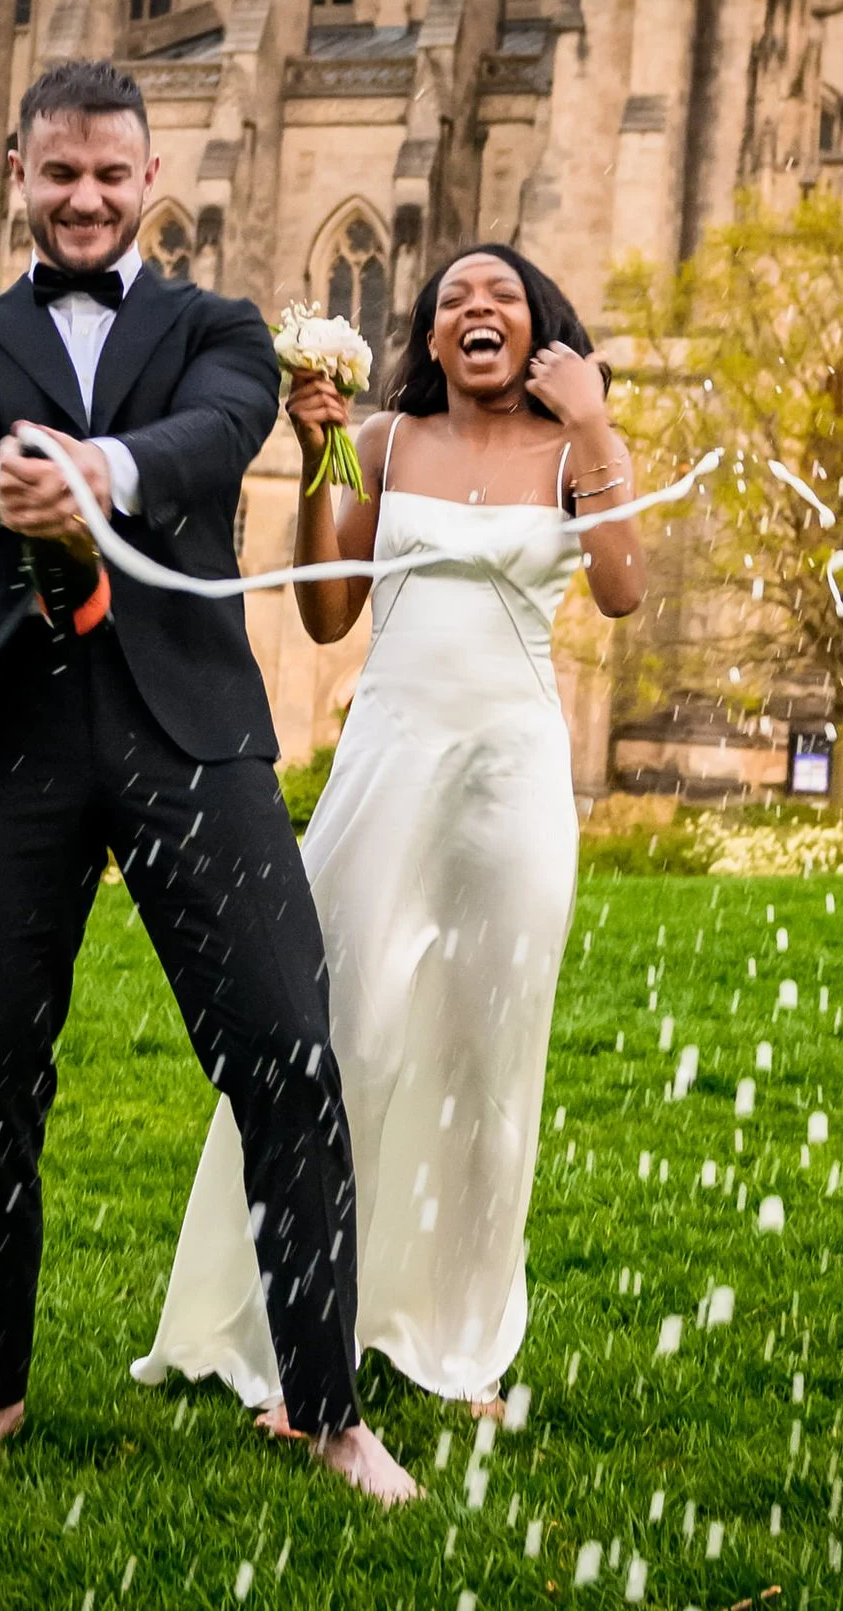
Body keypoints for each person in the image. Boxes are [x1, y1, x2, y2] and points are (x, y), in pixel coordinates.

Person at [0, 58, 416, 1504]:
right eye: (60, 173)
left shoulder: (217, 328)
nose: (87, 198)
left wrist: (96, 469)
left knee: (287, 1059)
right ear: (16, 175)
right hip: (12, 737)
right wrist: (3, 492)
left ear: (152, 179)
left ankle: (330, 1405)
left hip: (194, 734)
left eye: (113, 174)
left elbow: (219, 432)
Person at [134, 243, 643, 1424]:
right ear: (429, 332)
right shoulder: (379, 443)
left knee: (488, 1062)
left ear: (538, 329)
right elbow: (323, 613)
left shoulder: (576, 451)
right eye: (453, 296)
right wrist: (316, 449)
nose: (477, 308)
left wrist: (600, 426)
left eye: (501, 295)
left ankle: (458, 1344)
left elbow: (621, 588)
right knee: (340, 1037)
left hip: (512, 783)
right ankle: (294, 1330)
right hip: (386, 768)